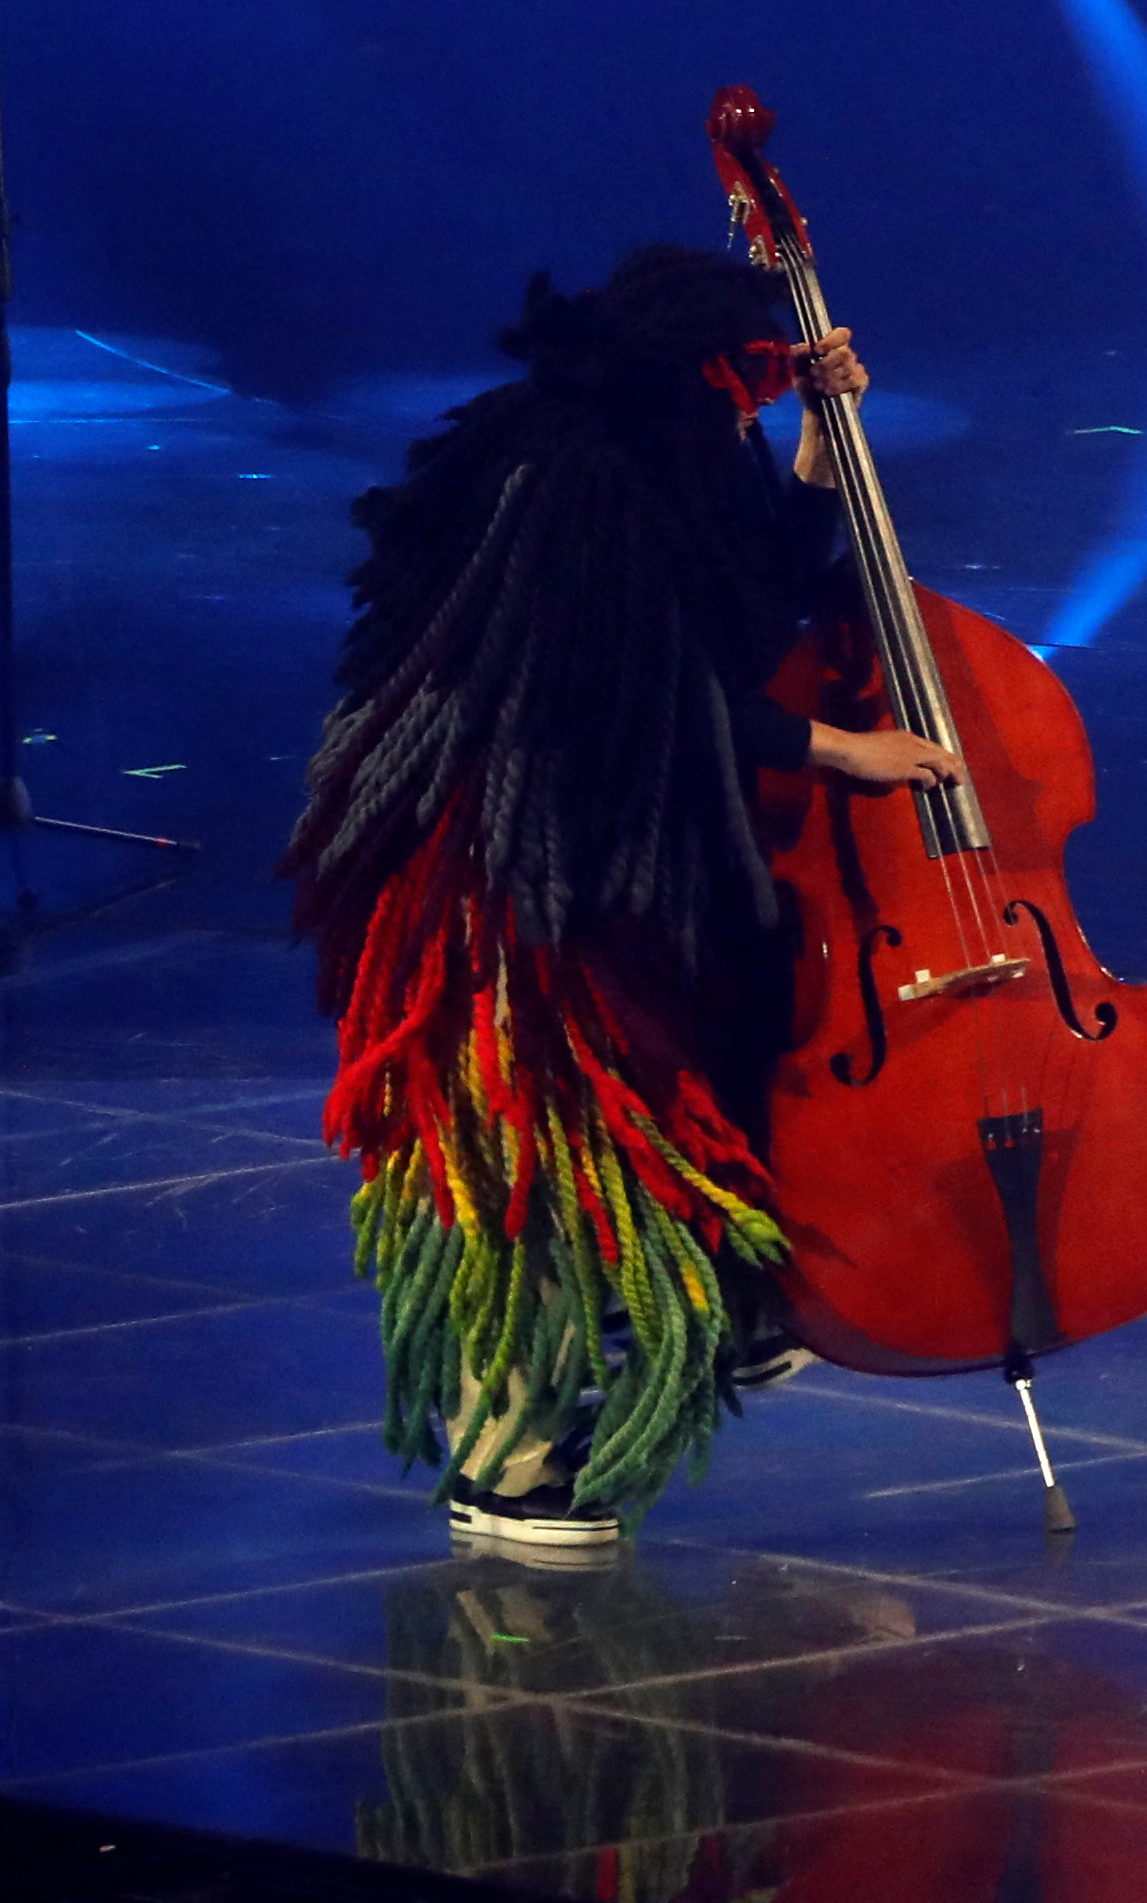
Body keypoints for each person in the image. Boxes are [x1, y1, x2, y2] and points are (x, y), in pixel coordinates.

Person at [292, 247, 960, 1553]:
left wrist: (819, 450)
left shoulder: (665, 454)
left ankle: (732, 1300)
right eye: (752, 387)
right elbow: (643, 682)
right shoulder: (573, 479)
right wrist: (840, 748)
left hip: (617, 853)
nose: (756, 411)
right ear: (700, 374)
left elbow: (743, 601)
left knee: (687, 1075)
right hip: (509, 873)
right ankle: (506, 1466)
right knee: (532, 1158)